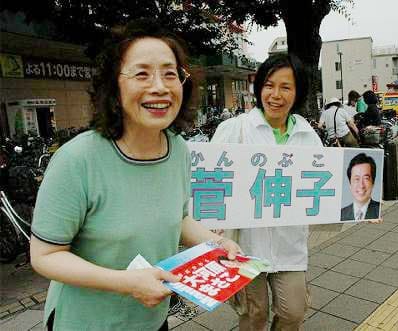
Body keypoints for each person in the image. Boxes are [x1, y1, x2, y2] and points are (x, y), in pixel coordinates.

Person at [29, 19, 240, 331]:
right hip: (85, 322)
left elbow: (178, 218)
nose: (159, 86)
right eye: (142, 73)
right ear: (115, 84)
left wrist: (213, 243)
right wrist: (127, 283)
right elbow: (45, 255)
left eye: (170, 74)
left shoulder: (178, 149)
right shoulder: (77, 159)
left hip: (151, 320)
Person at [211, 53, 319, 331]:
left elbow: (325, 189)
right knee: (253, 315)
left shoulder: (308, 136)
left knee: (293, 313)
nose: (276, 95)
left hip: (290, 244)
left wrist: (359, 207)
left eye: (286, 87)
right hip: (246, 245)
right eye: (269, 85)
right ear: (258, 88)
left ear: (298, 92)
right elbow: (210, 181)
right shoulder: (234, 129)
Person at [341, 153, 381, 221]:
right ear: (350, 184)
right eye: (356, 179)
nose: (361, 185)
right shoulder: (341, 214)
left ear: (373, 183)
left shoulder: (380, 211)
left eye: (366, 178)